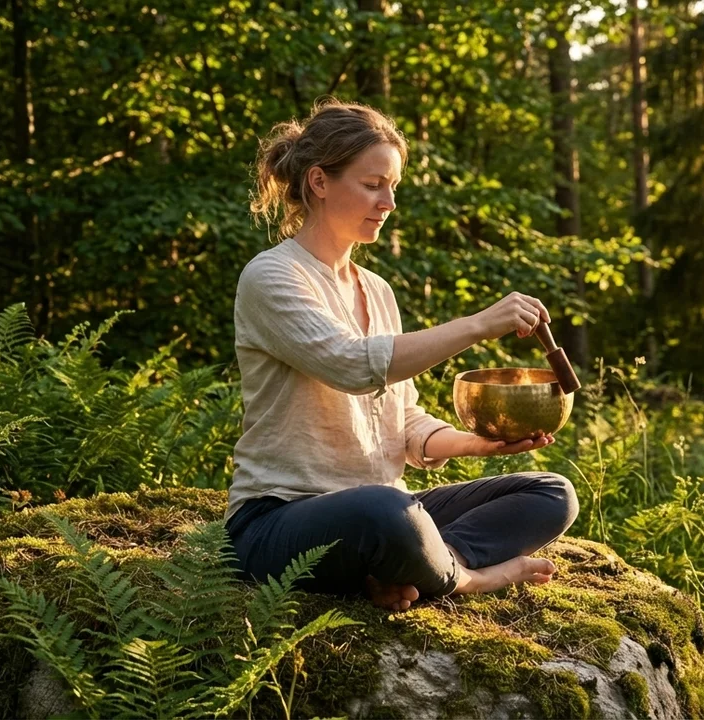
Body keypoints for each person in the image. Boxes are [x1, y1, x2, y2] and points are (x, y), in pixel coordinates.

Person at [226, 99, 579, 612]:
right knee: (385, 510)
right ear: (320, 182)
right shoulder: (272, 276)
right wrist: (479, 324)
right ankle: (471, 578)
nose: (388, 202)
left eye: (393, 186)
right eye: (373, 184)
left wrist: (477, 445)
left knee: (552, 493)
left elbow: (404, 420)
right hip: (279, 521)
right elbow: (351, 365)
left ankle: (420, 565)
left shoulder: (377, 290)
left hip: (383, 509)